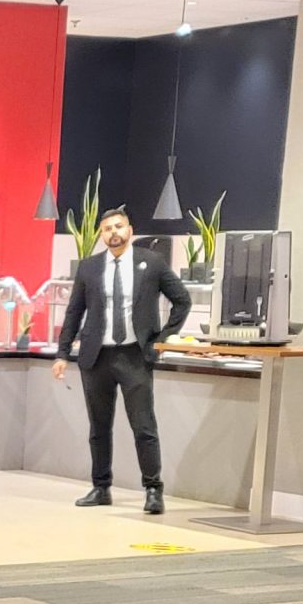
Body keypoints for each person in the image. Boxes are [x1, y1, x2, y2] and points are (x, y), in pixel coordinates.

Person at [54, 208, 193, 515]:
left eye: (118, 226)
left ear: (130, 230)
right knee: (99, 427)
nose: (113, 232)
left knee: (143, 426)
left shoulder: (151, 262)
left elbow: (182, 300)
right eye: (107, 229)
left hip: (134, 355)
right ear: (101, 235)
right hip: (96, 356)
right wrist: (63, 353)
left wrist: (162, 338)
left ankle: (153, 490)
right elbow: (74, 312)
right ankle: (101, 487)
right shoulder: (89, 267)